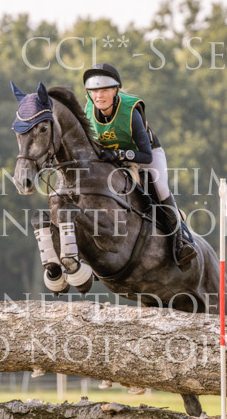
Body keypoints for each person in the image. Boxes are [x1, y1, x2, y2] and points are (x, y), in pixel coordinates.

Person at [83, 63, 197, 267]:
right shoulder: (88, 111)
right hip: (114, 161)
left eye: (104, 90)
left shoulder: (131, 112)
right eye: (94, 91)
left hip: (146, 156)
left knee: (160, 188)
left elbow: (145, 155)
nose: (99, 96)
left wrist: (118, 153)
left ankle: (180, 241)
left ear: (115, 91)